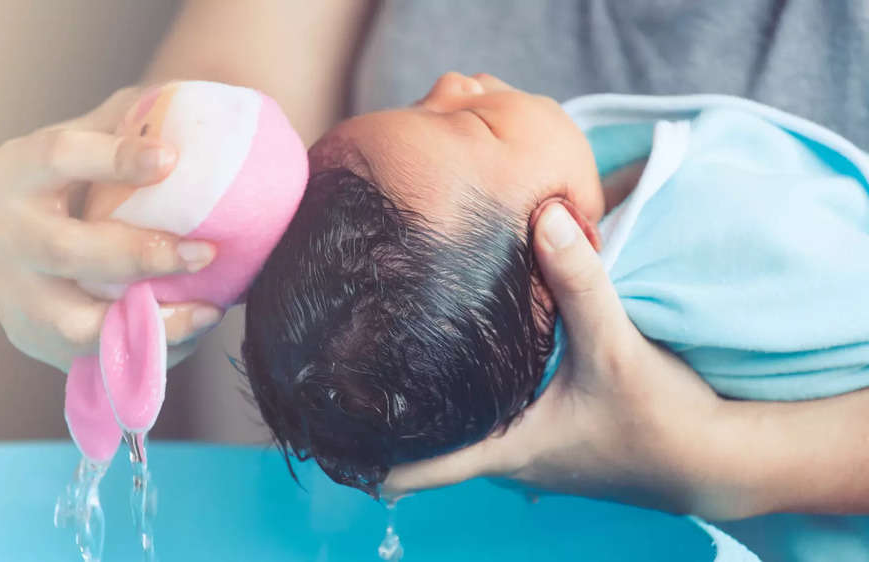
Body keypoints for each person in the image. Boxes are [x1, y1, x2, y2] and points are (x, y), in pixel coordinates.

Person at [0, 0, 869, 554]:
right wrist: (149, 190)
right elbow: (242, 68)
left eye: (463, 122)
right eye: (447, 118)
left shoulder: (732, 232)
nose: (449, 79)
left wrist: (732, 461)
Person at [239, 71, 869, 506]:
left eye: (416, 107)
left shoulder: (566, 199)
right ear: (567, 239)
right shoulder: (723, 236)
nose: (449, 82)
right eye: (475, 122)